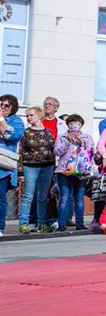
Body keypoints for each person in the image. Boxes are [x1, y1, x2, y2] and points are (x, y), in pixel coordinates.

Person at [53, 114, 94, 231]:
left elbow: (91, 152)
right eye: (71, 124)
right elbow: (57, 151)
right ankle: (62, 224)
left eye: (77, 124)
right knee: (64, 198)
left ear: (81, 125)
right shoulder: (62, 137)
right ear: (68, 125)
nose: (74, 126)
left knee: (79, 198)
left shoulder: (87, 137)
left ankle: (80, 224)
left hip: (81, 171)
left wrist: (81, 142)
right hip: (64, 170)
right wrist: (68, 142)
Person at [18, 106, 55, 234]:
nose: (28, 118)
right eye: (27, 116)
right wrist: (21, 171)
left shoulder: (48, 132)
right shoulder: (26, 132)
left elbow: (52, 151)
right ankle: (23, 224)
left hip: (47, 167)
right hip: (30, 167)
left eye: (31, 115)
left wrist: (53, 169)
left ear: (39, 116)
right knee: (28, 196)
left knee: (42, 197)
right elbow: (21, 152)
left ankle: (42, 224)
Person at [0, 93, 25, 236]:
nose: (3, 107)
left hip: (3, 166)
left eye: (6, 105)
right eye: (0, 104)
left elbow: (11, 136)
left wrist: (1, 119)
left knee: (0, 197)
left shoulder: (17, 122)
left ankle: (0, 227)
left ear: (13, 107)